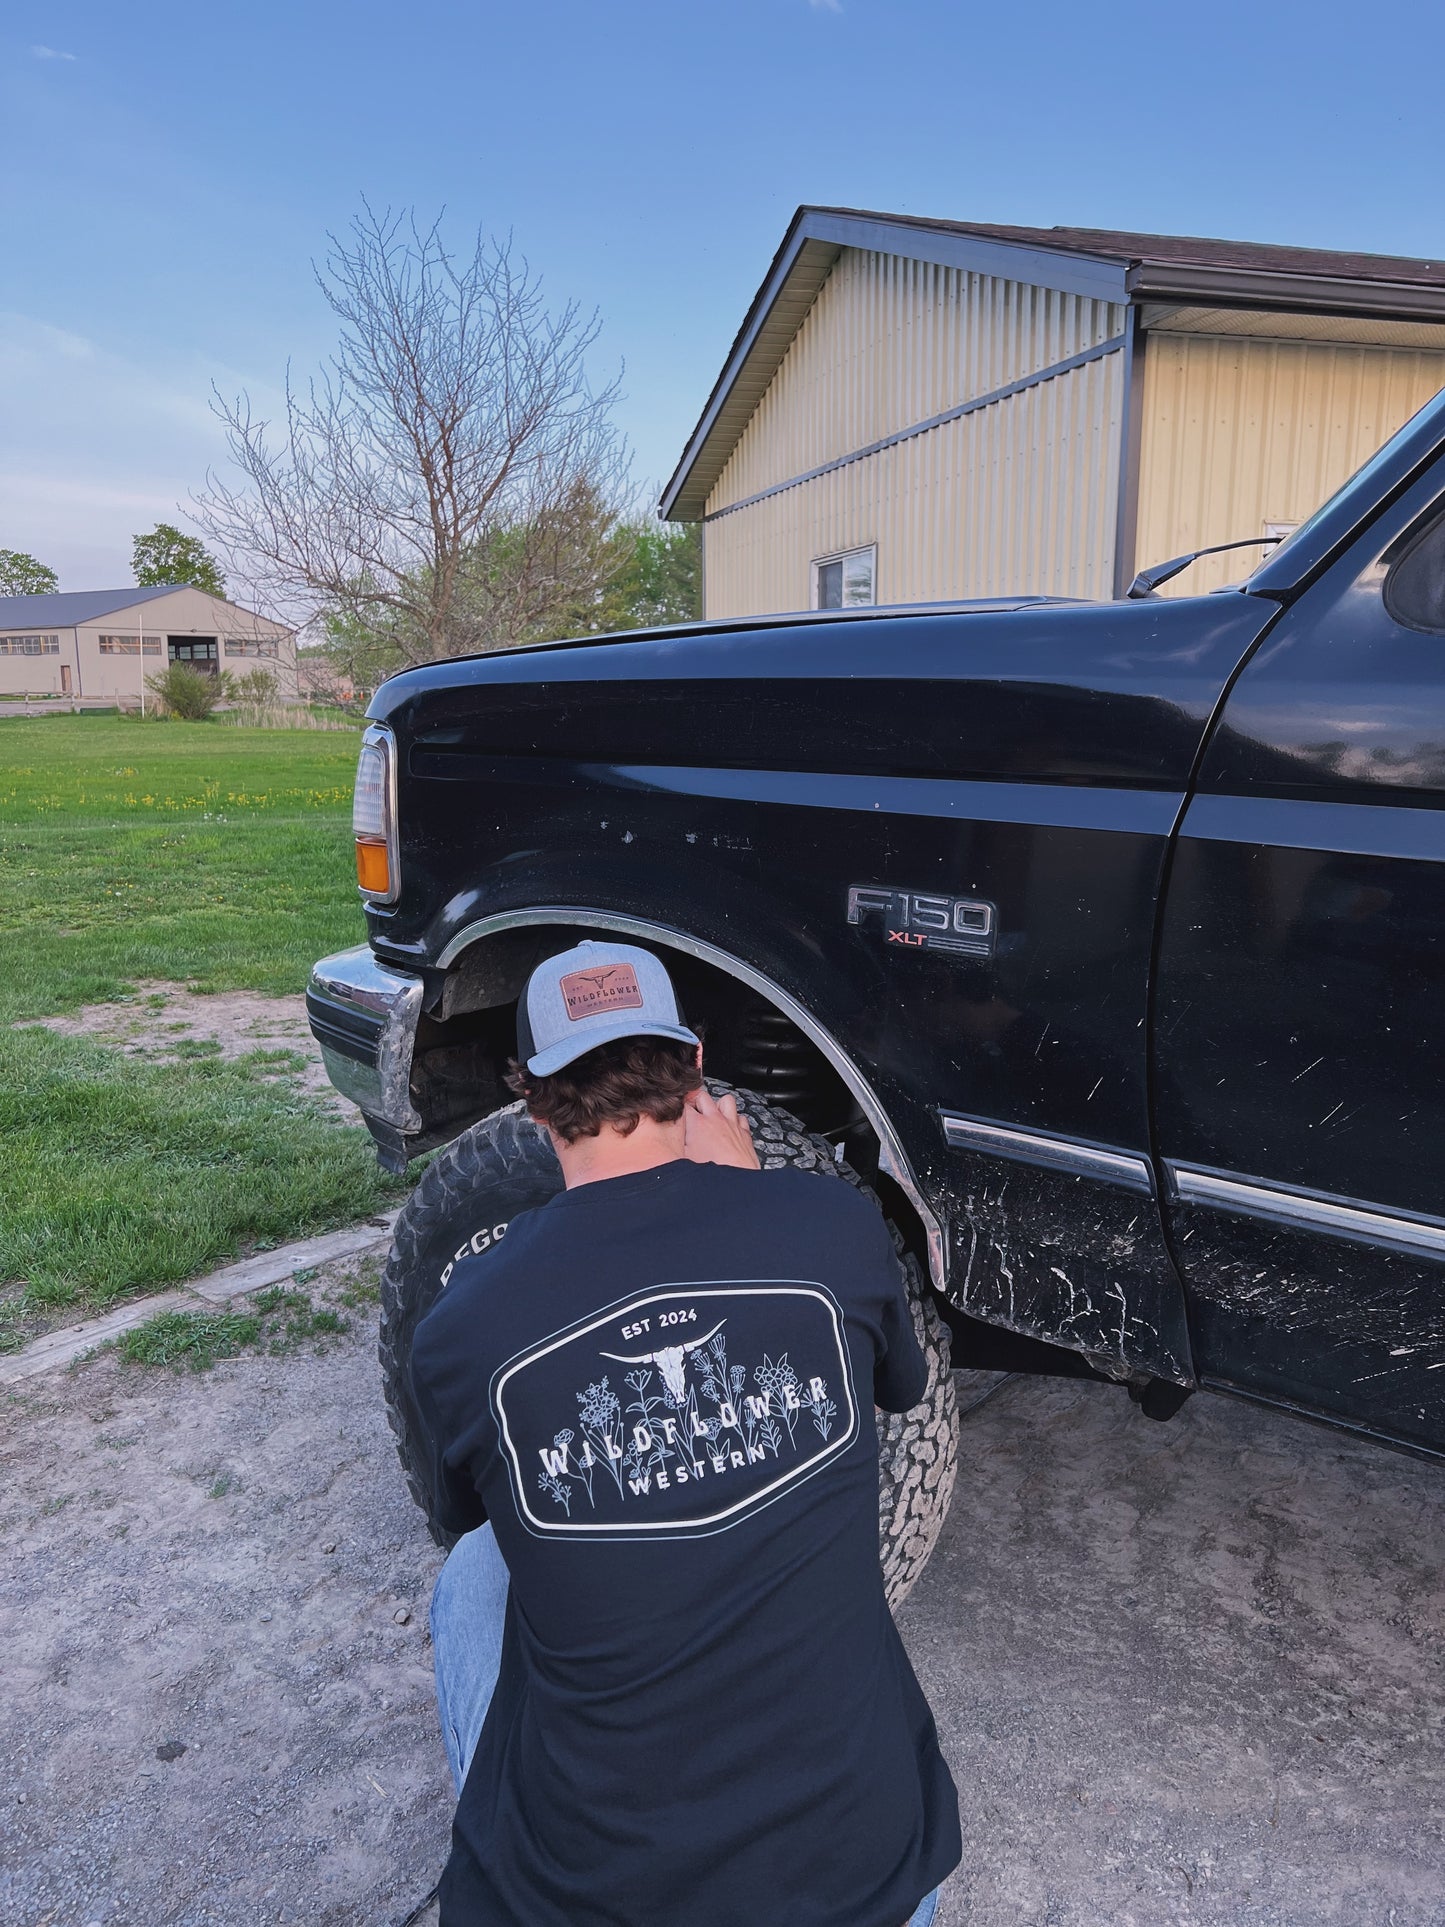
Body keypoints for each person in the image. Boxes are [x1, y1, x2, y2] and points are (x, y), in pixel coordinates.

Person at [410, 939, 962, 1926]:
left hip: (592, 1900)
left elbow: (468, 1513)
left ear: (532, 1102)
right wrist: (758, 1195)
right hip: (867, 1877)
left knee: (480, 1570)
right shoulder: (826, 1225)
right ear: (695, 1062)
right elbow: (894, 1382)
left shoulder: (462, 1325)